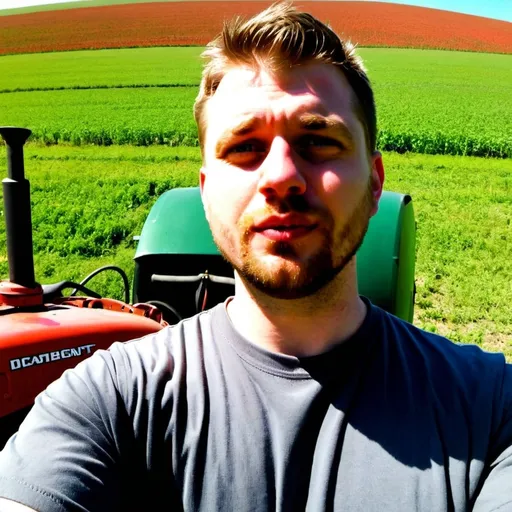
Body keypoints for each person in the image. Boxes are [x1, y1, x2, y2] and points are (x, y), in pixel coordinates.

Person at [0, 2, 511, 511]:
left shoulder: (489, 407)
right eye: (244, 147)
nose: (281, 176)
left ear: (375, 183)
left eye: (319, 140)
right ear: (204, 191)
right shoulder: (109, 399)